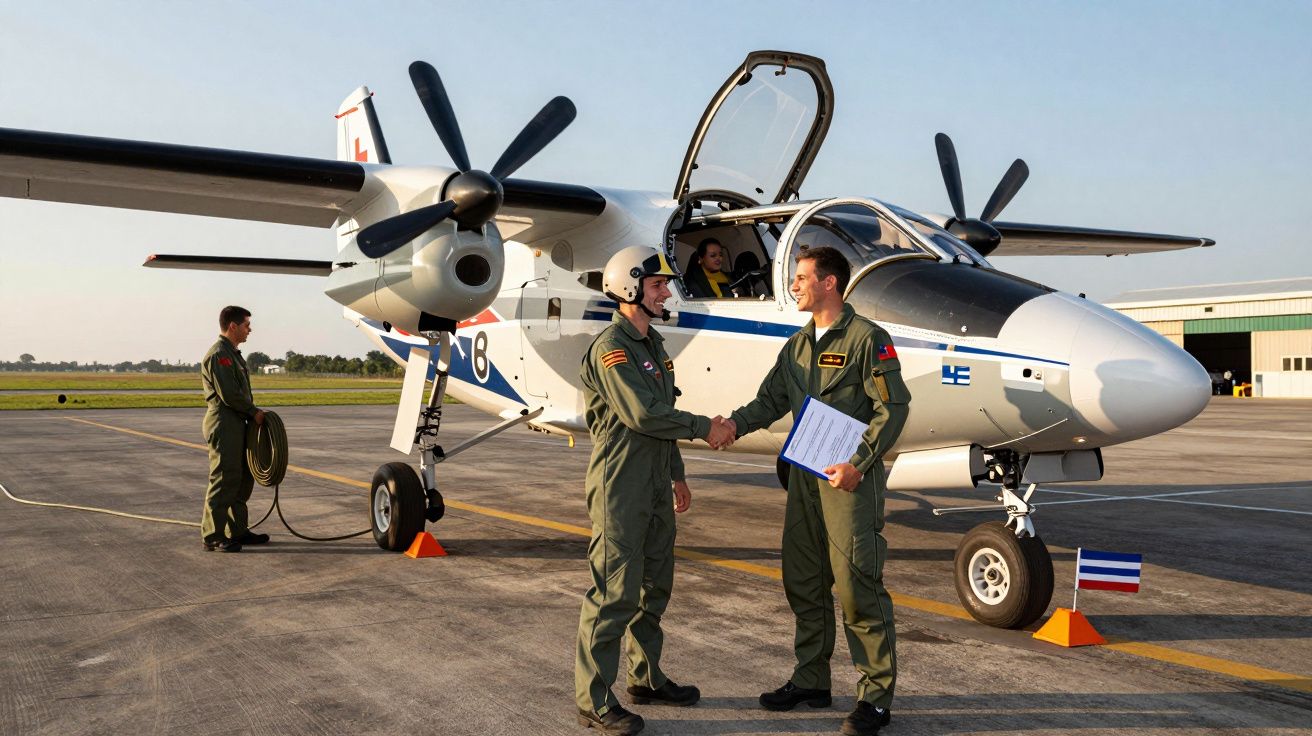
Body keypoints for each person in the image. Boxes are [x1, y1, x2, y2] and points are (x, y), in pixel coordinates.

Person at [721, 246, 911, 736]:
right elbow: (770, 400)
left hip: (849, 482)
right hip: (804, 478)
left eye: (802, 277)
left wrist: (859, 463)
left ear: (830, 283)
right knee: (803, 581)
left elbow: (894, 408)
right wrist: (730, 426)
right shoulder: (798, 346)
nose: (794, 285)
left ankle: (875, 697)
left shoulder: (870, 339)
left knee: (857, 589)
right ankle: (812, 679)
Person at [575, 245, 736, 735]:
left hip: (654, 482)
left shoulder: (655, 345)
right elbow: (643, 415)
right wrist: (706, 426)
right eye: (658, 285)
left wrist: (678, 474)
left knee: (654, 587)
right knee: (613, 593)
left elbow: (662, 416)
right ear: (630, 288)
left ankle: (644, 678)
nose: (667, 291)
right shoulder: (612, 349)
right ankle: (594, 699)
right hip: (620, 485)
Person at [199, 305, 269, 553]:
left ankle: (237, 530)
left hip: (237, 424)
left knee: (241, 480)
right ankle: (213, 535)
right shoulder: (220, 355)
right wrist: (253, 411)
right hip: (224, 424)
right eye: (246, 325)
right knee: (223, 479)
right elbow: (229, 394)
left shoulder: (233, 354)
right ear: (233, 326)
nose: (249, 329)